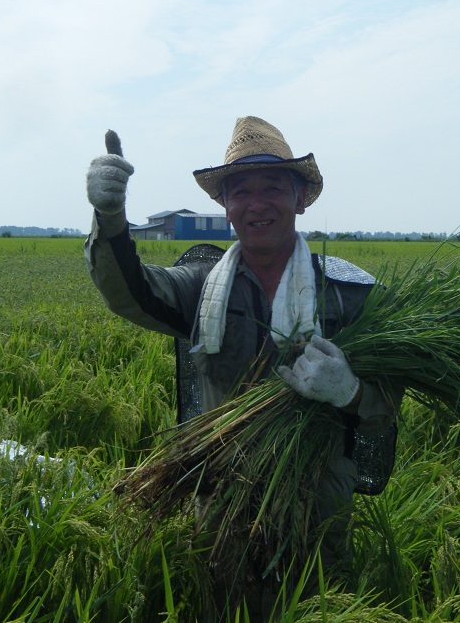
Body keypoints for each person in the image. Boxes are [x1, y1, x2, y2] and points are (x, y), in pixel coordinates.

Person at [85, 116, 398, 619]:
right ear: (225, 207)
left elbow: (388, 410)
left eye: (273, 187)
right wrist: (111, 217)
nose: (256, 203)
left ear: (300, 198)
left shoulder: (349, 296)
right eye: (240, 191)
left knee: (315, 609)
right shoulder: (203, 286)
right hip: (221, 504)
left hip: (319, 509)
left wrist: (351, 392)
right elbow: (133, 293)